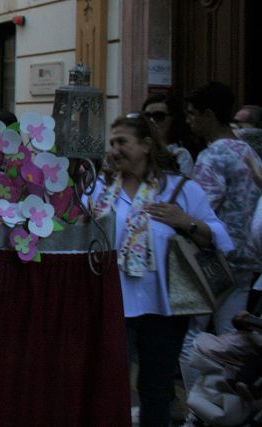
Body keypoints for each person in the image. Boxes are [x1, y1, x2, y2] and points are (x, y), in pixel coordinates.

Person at [88, 113, 232, 427]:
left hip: (166, 309)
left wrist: (185, 221)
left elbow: (220, 238)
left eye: (122, 142)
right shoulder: (100, 187)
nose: (115, 150)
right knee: (111, 385)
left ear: (146, 145)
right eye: (112, 143)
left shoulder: (180, 188)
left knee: (156, 389)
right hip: (114, 305)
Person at [185, 83, 262, 333]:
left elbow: (201, 208)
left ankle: (201, 374)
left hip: (213, 257)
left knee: (191, 335)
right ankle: (220, 374)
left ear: (209, 115)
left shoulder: (213, 155)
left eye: (192, 114)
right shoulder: (249, 151)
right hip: (246, 258)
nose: (188, 121)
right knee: (229, 337)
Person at [142, 93, 195, 176]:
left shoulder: (180, 155)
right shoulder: (137, 149)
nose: (151, 121)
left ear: (173, 119)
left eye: (159, 116)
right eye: (147, 116)